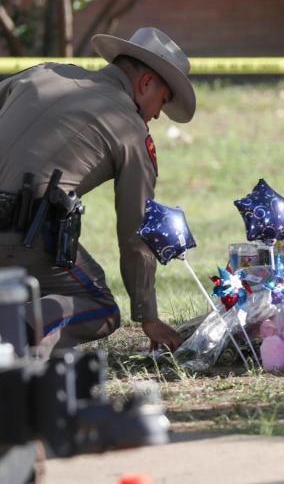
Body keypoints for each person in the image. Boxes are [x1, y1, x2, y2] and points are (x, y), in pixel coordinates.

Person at [0, 27, 196, 356]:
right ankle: (12, 336)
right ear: (146, 83)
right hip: (22, 234)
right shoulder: (129, 129)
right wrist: (147, 316)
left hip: (18, 235)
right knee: (100, 307)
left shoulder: (45, 72)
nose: (158, 114)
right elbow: (137, 232)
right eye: (161, 101)